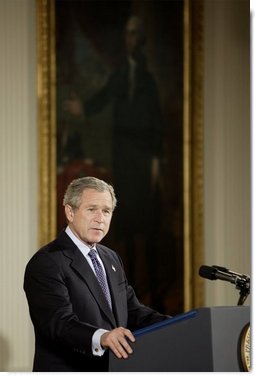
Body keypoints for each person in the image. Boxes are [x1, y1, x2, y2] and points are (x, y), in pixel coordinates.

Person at [24, 176, 169, 372]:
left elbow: (133, 311)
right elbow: (57, 323)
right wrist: (102, 337)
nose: (100, 218)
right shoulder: (47, 262)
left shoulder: (111, 258)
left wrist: (180, 324)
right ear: (70, 211)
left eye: (106, 211)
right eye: (92, 209)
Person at [64, 15, 164, 293]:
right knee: (129, 224)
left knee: (148, 224)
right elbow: (104, 96)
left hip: (143, 160)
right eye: (128, 34)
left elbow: (156, 122)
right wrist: (83, 109)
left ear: (141, 40)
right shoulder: (121, 73)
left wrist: (155, 161)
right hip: (124, 159)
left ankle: (152, 286)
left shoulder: (146, 77)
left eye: (136, 34)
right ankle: (130, 284)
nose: (131, 39)